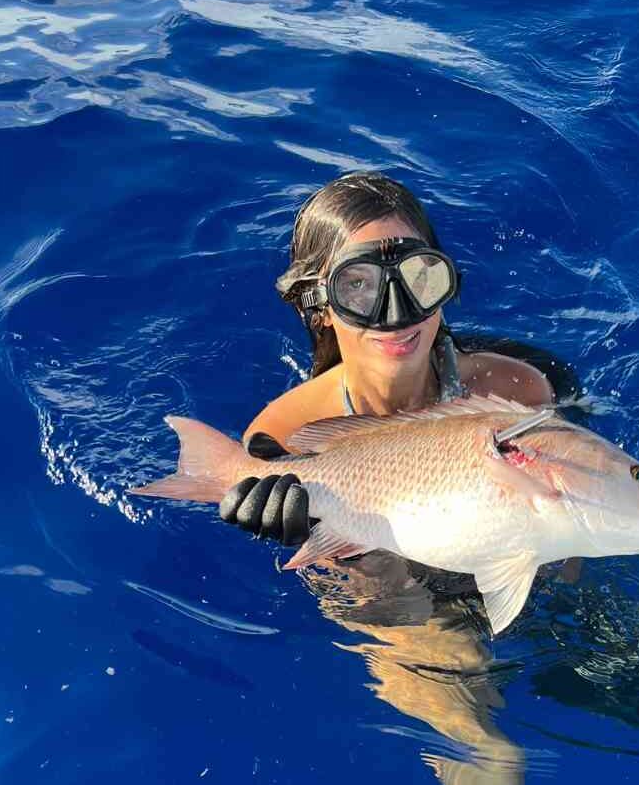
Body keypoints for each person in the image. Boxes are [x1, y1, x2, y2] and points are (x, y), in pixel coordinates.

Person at [220, 171, 574, 545]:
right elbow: (339, 588)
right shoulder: (284, 435)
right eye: (357, 285)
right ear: (318, 306)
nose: (396, 315)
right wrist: (324, 539)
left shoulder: (517, 392)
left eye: (418, 276)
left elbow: (563, 546)